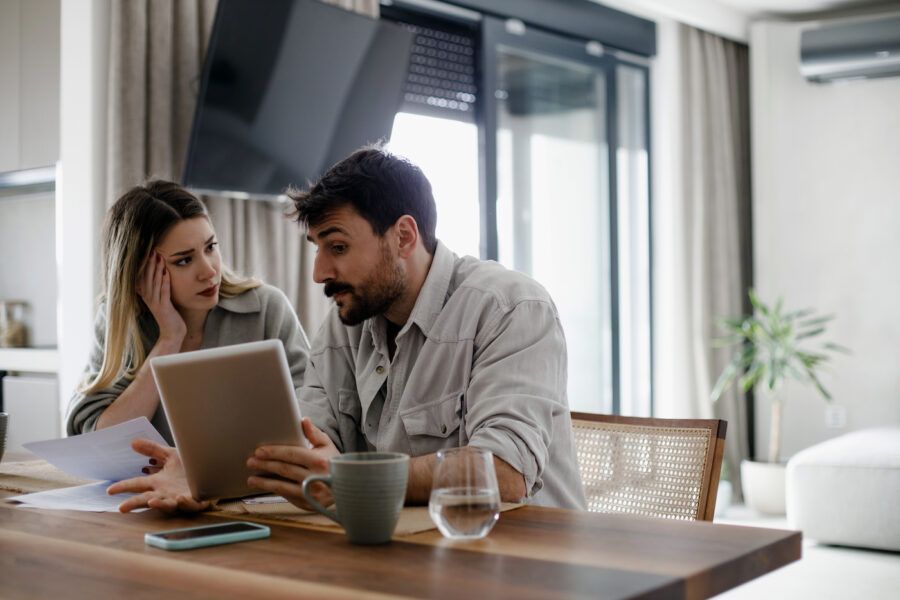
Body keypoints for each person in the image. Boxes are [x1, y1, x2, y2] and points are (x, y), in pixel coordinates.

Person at [110, 148, 585, 512]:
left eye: (337, 247)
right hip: (408, 555)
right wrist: (203, 474)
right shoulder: (346, 325)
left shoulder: (509, 308)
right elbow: (303, 443)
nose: (319, 272)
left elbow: (505, 472)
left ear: (403, 237)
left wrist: (350, 478)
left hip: (522, 565)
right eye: (317, 248)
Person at [67, 181, 310, 450]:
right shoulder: (121, 322)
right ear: (139, 276)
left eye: (210, 247)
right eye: (184, 260)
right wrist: (169, 340)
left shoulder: (267, 308)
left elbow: (311, 414)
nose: (209, 271)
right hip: (153, 478)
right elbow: (99, 442)